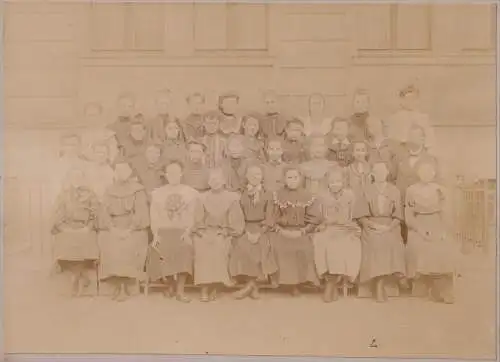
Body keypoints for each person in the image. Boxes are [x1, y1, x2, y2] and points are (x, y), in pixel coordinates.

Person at [313, 167, 368, 302]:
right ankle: (331, 281)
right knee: (322, 242)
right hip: (329, 228)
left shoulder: (350, 195)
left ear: (343, 181)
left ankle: (332, 284)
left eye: (338, 181)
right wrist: (324, 224)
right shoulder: (322, 197)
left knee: (347, 243)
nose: (335, 184)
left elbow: (353, 216)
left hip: (346, 228)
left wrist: (349, 225)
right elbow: (320, 217)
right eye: (332, 182)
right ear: (327, 183)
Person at [405, 161, 457, 304]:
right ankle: (423, 285)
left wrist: (444, 230)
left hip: (438, 223)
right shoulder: (411, 190)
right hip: (419, 224)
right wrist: (420, 230)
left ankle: (442, 289)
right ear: (418, 173)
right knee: (418, 243)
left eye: (430, 171)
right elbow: (409, 214)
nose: (426, 174)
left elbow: (446, 213)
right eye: (423, 171)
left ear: (434, 173)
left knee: (442, 246)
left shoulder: (441, 190)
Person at [147, 161, 200, 303]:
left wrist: (188, 232)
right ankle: (170, 284)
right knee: (159, 249)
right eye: (170, 173)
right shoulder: (157, 193)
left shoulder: (191, 193)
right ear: (165, 175)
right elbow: (154, 216)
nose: (173, 176)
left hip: (183, 231)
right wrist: (156, 234)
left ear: (182, 174)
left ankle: (180, 290)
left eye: (176, 172)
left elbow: (194, 215)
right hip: (164, 231)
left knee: (184, 248)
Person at [98, 161, 150, 302]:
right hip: (114, 226)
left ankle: (127, 284)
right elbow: (104, 212)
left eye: (125, 170)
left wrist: (129, 229)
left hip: (133, 227)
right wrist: (112, 228)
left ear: (130, 172)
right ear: (114, 173)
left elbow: (141, 212)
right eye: (118, 170)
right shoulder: (109, 190)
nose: (122, 173)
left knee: (132, 242)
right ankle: (117, 284)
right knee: (108, 240)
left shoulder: (138, 190)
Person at [265, 167, 321, 296]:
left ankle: (300, 282)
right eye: (289, 177)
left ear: (300, 179)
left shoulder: (308, 195)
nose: (292, 180)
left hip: (302, 231)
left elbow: (314, 218)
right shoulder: (277, 195)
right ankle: (285, 282)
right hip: (281, 231)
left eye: (295, 177)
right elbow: (272, 216)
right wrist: (280, 229)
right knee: (280, 246)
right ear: (284, 179)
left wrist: (303, 231)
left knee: (305, 247)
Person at [192, 168, 245, 302]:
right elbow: (198, 219)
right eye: (212, 179)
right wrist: (201, 232)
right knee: (202, 248)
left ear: (224, 181)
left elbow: (236, 221)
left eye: (218, 179)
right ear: (208, 182)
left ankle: (215, 286)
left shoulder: (232, 198)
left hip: (224, 232)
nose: (215, 182)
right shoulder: (202, 197)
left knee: (219, 247)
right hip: (205, 231)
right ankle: (204, 287)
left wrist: (226, 231)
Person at [359, 161, 406, 302]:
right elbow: (361, 216)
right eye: (376, 172)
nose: (380, 174)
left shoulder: (394, 190)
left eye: (383, 171)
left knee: (392, 242)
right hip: (371, 224)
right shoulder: (366, 190)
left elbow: (398, 215)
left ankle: (383, 282)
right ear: (372, 174)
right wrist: (373, 225)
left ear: (387, 173)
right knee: (374, 243)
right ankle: (377, 283)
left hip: (390, 225)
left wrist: (389, 227)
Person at [51, 168, 100, 297]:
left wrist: (88, 227)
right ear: (69, 179)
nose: (76, 180)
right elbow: (57, 213)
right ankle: (80, 276)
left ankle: (75, 278)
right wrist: (63, 228)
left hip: (85, 227)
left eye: (79, 177)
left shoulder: (91, 195)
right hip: (67, 227)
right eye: (73, 177)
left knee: (85, 239)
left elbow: (95, 214)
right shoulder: (63, 195)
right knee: (65, 240)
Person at [229, 165, 275, 300]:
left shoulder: (268, 194)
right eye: (252, 174)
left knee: (260, 246)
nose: (255, 177)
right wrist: (245, 231)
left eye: (258, 174)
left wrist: (260, 232)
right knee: (242, 247)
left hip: (262, 228)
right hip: (244, 227)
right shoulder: (240, 194)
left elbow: (270, 217)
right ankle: (253, 287)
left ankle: (249, 287)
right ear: (246, 177)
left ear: (262, 177)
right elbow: (238, 215)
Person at [384, 84, 436, 154]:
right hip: (400, 151)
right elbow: (391, 139)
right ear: (401, 101)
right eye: (407, 99)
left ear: (418, 101)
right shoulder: (395, 118)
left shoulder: (423, 118)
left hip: (419, 151)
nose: (410, 102)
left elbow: (430, 140)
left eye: (413, 99)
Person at [396, 125, 439, 198]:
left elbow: (436, 186)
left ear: (423, 139)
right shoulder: (399, 158)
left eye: (415, 137)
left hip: (422, 205)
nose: (412, 140)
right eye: (411, 137)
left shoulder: (431, 160)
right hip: (402, 203)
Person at [365, 116, 401, 183]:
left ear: (381, 125)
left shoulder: (393, 144)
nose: (372, 127)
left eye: (375, 124)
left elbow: (397, 169)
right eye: (369, 125)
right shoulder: (366, 146)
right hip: (372, 184)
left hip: (390, 184)